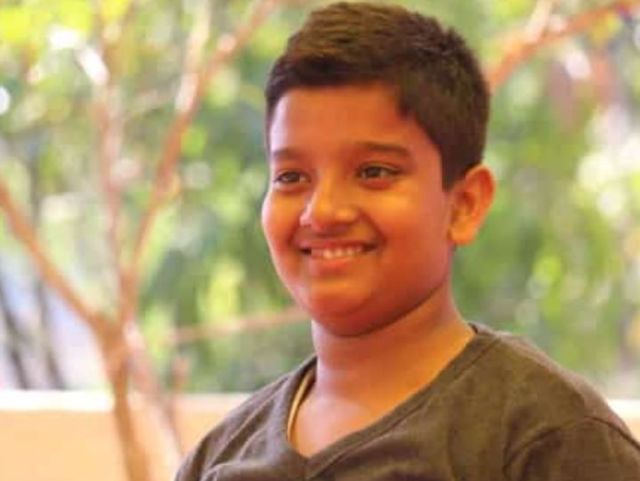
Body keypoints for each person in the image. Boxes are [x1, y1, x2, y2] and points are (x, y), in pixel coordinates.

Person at [176, 2, 640, 480]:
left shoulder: (545, 434)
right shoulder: (219, 456)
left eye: (373, 172)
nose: (323, 211)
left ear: (464, 205)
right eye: (291, 176)